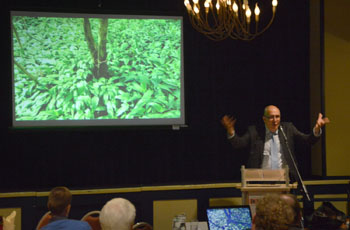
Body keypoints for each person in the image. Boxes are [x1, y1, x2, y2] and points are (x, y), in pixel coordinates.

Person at [221, 105, 330, 180]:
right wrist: (231, 130)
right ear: (264, 119)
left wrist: (316, 129)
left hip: (284, 179)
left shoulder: (288, 128)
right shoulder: (254, 131)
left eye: (277, 117)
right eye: (271, 117)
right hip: (260, 179)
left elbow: (307, 141)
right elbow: (239, 143)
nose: (275, 120)